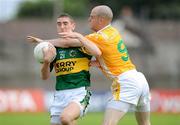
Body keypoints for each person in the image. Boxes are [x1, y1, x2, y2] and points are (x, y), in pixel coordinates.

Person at [59, 5, 151, 125]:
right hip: (140, 79)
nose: (89, 19)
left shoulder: (99, 37)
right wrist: (98, 63)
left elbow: (68, 43)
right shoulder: (113, 31)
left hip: (126, 83)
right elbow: (110, 57)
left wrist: (44, 43)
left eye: (91, 17)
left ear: (100, 20)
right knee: (145, 123)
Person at [27, 13, 101, 125]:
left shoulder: (82, 44)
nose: (62, 26)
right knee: (66, 120)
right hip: (60, 95)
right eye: (59, 24)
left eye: (65, 23)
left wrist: (42, 41)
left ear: (73, 26)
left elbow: (97, 52)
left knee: (65, 118)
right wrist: (46, 62)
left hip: (79, 92)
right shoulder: (52, 49)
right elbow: (44, 77)